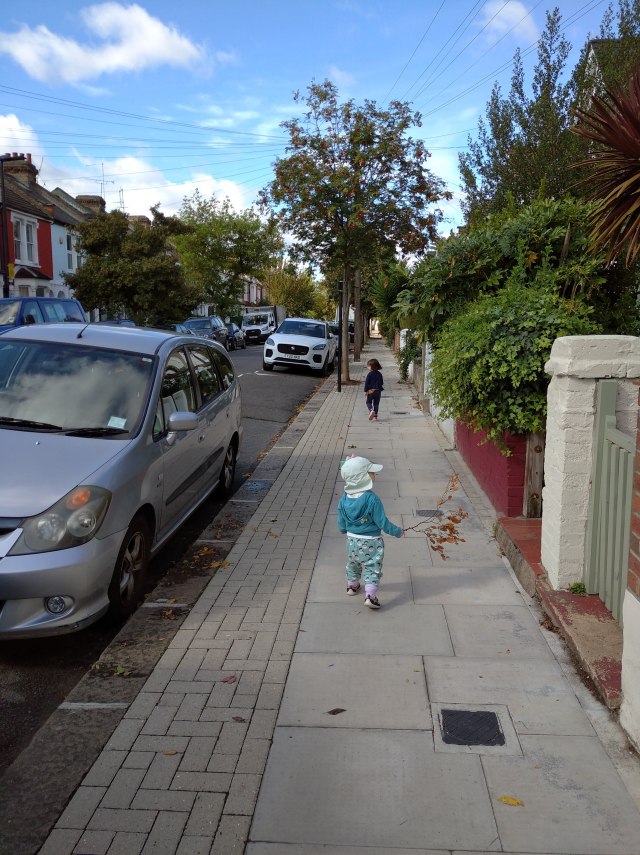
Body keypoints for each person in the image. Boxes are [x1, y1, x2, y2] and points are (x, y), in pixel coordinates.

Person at [337, 456, 403, 609]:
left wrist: (342, 529)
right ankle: (370, 596)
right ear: (362, 477)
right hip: (372, 541)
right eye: (371, 472)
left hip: (352, 541)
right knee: (372, 567)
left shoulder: (344, 498)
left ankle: (352, 586)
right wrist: (397, 532)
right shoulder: (372, 499)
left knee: (353, 563)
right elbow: (383, 522)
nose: (375, 475)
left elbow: (341, 519)